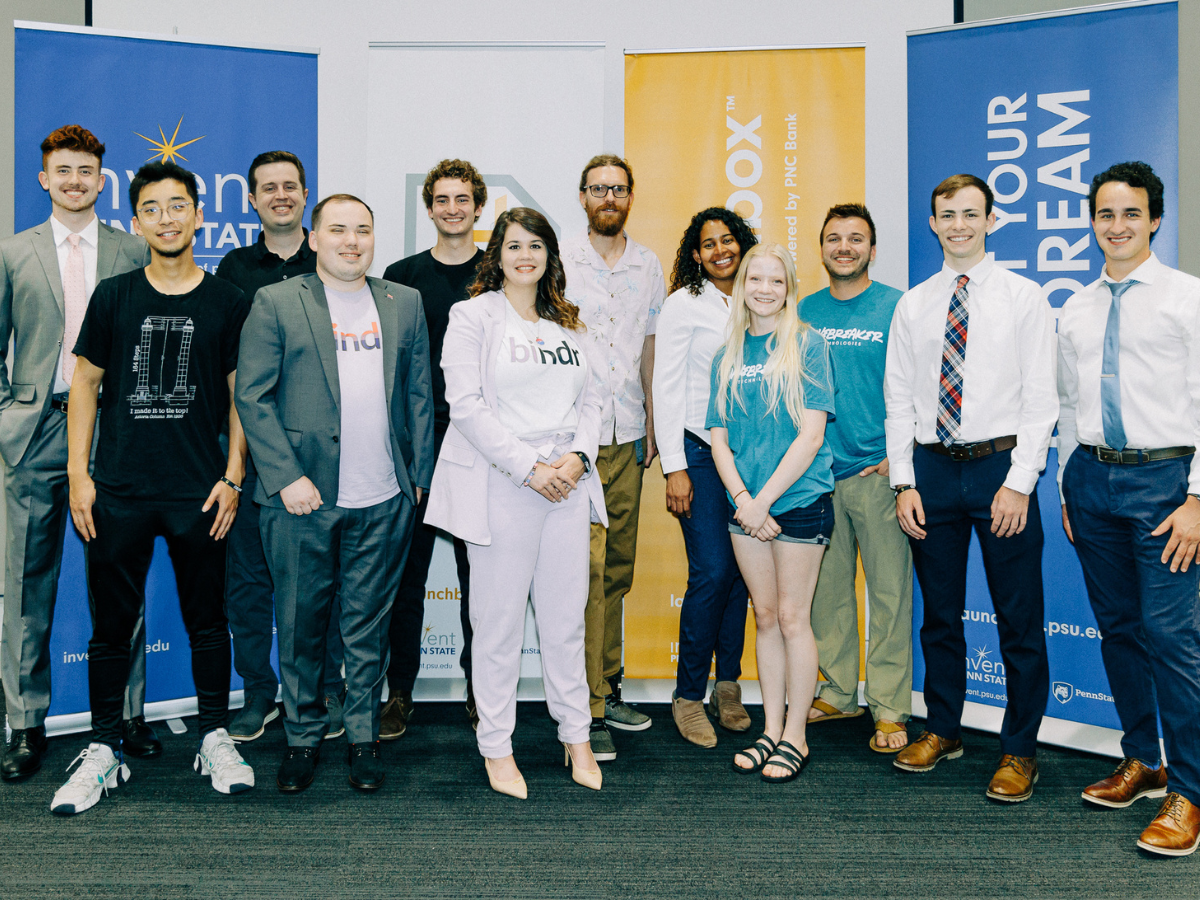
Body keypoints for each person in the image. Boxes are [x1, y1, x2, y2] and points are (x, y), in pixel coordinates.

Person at [53, 161, 254, 815]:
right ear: (135, 220)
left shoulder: (227, 301)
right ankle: (104, 747)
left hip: (199, 491)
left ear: (199, 215)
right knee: (111, 629)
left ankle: (215, 736)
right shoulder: (114, 296)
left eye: (178, 206)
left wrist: (233, 476)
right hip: (117, 490)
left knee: (207, 622)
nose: (166, 219)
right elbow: (83, 386)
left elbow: (239, 399)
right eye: (152, 208)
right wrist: (80, 476)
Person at [236, 193, 434, 793]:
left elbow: (420, 396)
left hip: (383, 499)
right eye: (339, 230)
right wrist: (285, 477)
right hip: (301, 498)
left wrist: (417, 477)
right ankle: (300, 739)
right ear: (314, 238)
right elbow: (253, 396)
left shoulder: (405, 303)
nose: (352, 241)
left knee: (366, 627)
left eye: (364, 231)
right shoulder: (275, 301)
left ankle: (362, 737)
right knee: (299, 625)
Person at [886, 174, 1057, 802]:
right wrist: (904, 481)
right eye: (946, 214)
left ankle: (1019, 749)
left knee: (1019, 620)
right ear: (932, 223)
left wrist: (1018, 483)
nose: (958, 224)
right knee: (939, 615)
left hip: (1000, 471)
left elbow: (1042, 400)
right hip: (931, 471)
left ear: (991, 220)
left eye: (969, 214)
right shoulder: (915, 303)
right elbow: (897, 399)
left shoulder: (1024, 297)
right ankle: (944, 729)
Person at [426, 207, 606, 799]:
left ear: (550, 255)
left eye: (535, 245)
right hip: (504, 482)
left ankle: (576, 737)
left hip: (568, 484)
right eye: (513, 246)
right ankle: (497, 748)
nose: (524, 255)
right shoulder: (473, 315)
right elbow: (466, 403)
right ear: (496, 255)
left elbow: (593, 402)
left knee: (563, 621)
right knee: (498, 624)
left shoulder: (571, 324)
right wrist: (529, 469)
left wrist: (577, 459)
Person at [0, 125, 158, 782]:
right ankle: (24, 723)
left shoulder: (131, 250)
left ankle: (126, 716)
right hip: (35, 433)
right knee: (25, 585)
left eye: (85, 171)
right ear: (44, 179)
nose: (73, 181)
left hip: (113, 434)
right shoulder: (14, 252)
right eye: (62, 171)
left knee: (120, 582)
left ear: (102, 180)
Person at [1058, 161, 1200, 856]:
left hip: (1167, 485)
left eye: (1131, 215)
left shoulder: (1187, 299)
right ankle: (1144, 759)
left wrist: (1199, 499)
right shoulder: (1077, 308)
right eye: (1105, 214)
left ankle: (1192, 793)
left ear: (1155, 221)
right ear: (1092, 222)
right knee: (1118, 630)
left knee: (1174, 640)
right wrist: (1064, 483)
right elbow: (1064, 404)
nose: (1117, 227)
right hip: (1092, 483)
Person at [215, 150, 346, 744]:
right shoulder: (234, 272)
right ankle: (259, 694)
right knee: (248, 581)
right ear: (252, 200)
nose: (280, 196)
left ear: (304, 195)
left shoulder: (335, 264)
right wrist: (237, 463)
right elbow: (233, 376)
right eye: (268, 188)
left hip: (323, 456)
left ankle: (324, 691)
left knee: (326, 582)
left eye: (290, 186)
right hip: (253, 451)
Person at [709, 243, 834, 783]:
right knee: (762, 618)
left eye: (775, 281)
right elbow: (718, 440)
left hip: (799, 500)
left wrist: (763, 502)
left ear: (789, 289)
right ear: (742, 287)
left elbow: (811, 436)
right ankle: (770, 728)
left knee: (791, 618)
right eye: (754, 279)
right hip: (747, 507)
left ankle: (796, 737)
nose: (764, 288)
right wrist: (743, 500)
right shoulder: (727, 353)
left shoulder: (807, 343)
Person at [561, 154, 665, 761]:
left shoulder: (648, 264)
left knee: (618, 565)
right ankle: (589, 705)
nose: (609, 197)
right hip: (576, 438)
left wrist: (653, 419)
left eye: (618, 189)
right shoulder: (560, 259)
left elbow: (649, 346)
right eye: (598, 189)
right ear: (582, 197)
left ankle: (611, 680)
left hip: (627, 433)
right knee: (587, 569)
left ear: (630, 197)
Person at [800, 204, 913, 753]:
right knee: (827, 593)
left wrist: (900, 456)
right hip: (818, 474)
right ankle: (839, 690)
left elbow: (922, 385)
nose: (844, 247)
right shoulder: (803, 311)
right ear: (821, 248)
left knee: (889, 594)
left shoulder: (898, 307)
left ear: (872, 248)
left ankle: (890, 706)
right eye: (834, 238)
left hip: (879, 473)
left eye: (856, 238)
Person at [380, 159, 484, 738]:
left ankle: (480, 691)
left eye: (462, 199)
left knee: (481, 579)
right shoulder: (401, 275)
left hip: (477, 443)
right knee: (406, 575)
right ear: (429, 208)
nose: (452, 208)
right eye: (442, 199)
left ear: (477, 205)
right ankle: (400, 691)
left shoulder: (496, 274)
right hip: (417, 441)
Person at [654, 207, 757, 747]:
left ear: (742, 245)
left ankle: (730, 685)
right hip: (697, 452)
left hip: (751, 457)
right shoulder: (682, 305)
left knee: (742, 574)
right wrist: (674, 466)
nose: (720, 250)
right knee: (713, 572)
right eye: (708, 244)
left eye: (728, 241)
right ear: (695, 255)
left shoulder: (760, 295)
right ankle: (688, 695)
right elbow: (666, 388)